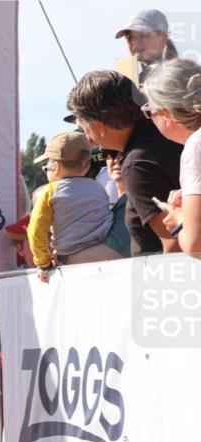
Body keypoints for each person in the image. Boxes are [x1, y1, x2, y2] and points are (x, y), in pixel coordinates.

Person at [67, 69, 182, 255]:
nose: (87, 138)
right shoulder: (168, 133)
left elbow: (174, 244)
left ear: (99, 127)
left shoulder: (137, 164)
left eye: (84, 128)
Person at [28, 131, 122, 282]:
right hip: (104, 256)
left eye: (46, 167)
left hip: (68, 260)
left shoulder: (49, 192)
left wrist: (43, 263)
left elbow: (35, 231)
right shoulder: (98, 188)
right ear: (87, 165)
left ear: (56, 167)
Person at [142, 58, 201, 255]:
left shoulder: (195, 146)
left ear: (166, 114)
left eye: (149, 111)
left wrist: (180, 219)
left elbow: (195, 241)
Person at [114, 10, 178, 86]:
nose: (135, 42)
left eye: (143, 36)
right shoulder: (137, 76)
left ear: (163, 38)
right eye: (130, 37)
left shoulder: (176, 76)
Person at [101, 149, 133, 258]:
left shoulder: (134, 202)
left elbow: (115, 252)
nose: (116, 160)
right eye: (110, 155)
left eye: (123, 154)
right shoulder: (110, 204)